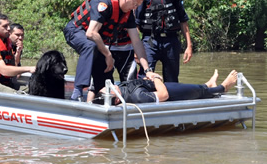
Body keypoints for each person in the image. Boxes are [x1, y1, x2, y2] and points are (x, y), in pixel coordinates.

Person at [64, 0, 153, 101]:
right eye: (135, 4)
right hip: (75, 31)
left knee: (105, 69)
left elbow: (136, 41)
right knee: (90, 46)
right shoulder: (104, 2)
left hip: (94, 40)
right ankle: (77, 92)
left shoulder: (128, 13)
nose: (135, 8)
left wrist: (147, 70)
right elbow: (91, 33)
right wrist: (108, 54)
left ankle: (103, 101)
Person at [135, 0, 192, 82]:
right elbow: (136, 24)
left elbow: (183, 19)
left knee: (172, 79)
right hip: (149, 41)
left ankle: (171, 98)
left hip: (171, 41)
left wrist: (189, 45)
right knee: (145, 77)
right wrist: (135, 50)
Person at [86, 0, 138, 102]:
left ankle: (128, 110)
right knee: (97, 84)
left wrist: (138, 53)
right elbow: (93, 31)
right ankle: (88, 105)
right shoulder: (103, 4)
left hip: (125, 48)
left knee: (130, 83)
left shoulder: (128, 5)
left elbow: (135, 32)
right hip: (108, 47)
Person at [95, 69, 238, 104]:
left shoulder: (124, 89)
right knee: (196, 91)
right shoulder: (137, 97)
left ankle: (208, 84)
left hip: (155, 85)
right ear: (117, 100)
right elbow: (164, 95)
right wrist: (155, 77)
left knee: (190, 86)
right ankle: (223, 87)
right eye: (111, 89)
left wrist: (147, 78)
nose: (113, 85)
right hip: (166, 91)